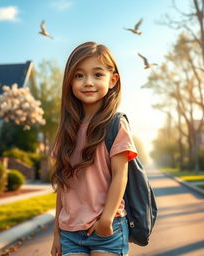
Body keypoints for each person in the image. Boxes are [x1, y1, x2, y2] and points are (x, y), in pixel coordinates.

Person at [50, 41, 138, 256]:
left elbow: (120, 176)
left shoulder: (115, 124)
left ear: (112, 80)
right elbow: (63, 186)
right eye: (79, 75)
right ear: (70, 81)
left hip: (107, 229)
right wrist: (56, 234)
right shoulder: (66, 130)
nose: (88, 82)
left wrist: (106, 220)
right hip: (69, 232)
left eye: (97, 74)